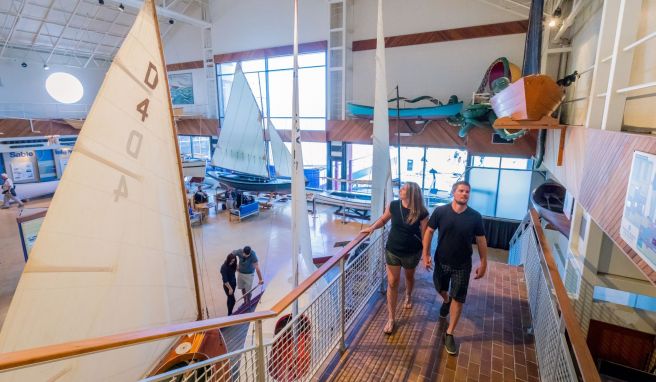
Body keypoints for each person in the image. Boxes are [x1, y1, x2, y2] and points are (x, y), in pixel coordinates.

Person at [422, 180, 488, 356]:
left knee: (458, 298)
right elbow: (429, 231)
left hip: (463, 265)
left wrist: (484, 263)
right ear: (453, 192)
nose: (464, 194)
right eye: (461, 191)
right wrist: (425, 254)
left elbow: (481, 240)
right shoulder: (440, 211)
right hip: (441, 261)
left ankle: (450, 332)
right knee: (440, 288)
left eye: (467, 192)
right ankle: (445, 300)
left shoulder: (475, 217)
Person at [361, 182, 428, 335]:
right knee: (392, 282)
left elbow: (425, 235)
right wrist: (372, 228)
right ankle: (391, 318)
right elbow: (384, 220)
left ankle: (408, 295)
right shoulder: (393, 205)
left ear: (412, 193)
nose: (400, 190)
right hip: (393, 250)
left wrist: (426, 254)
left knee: (409, 277)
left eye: (404, 189)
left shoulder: (422, 212)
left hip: (412, 252)